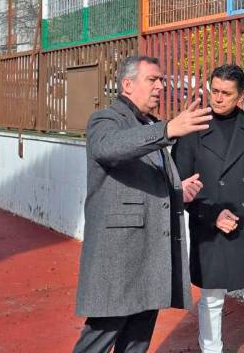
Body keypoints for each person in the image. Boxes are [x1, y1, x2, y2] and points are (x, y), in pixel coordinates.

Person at [72, 56, 213, 353]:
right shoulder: (106, 119)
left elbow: (146, 179)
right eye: (153, 79)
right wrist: (168, 130)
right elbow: (110, 148)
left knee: (137, 340)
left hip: (150, 255)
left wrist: (178, 189)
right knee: (99, 338)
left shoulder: (150, 124)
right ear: (127, 85)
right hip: (119, 256)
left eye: (161, 80)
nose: (161, 86)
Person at [172, 64, 244, 353]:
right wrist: (212, 216)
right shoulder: (192, 127)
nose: (218, 98)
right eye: (215, 91)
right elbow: (179, 187)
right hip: (207, 226)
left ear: (241, 96)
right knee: (210, 299)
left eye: (226, 93)